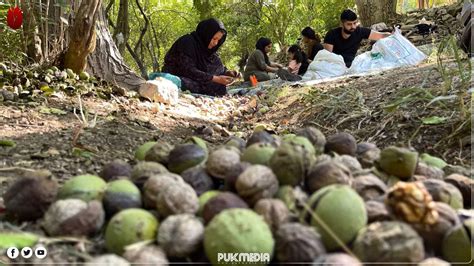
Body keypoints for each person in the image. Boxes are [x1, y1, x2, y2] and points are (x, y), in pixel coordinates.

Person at [162, 18, 239, 96]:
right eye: (214, 39)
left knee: (217, 86)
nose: (215, 43)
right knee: (187, 83)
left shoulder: (209, 52)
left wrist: (229, 74)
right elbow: (188, 70)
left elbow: (216, 68)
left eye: (218, 40)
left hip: (200, 82)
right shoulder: (187, 42)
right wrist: (215, 79)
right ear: (207, 34)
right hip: (181, 77)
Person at [323, 9, 391, 67]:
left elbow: (381, 36)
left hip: (352, 64)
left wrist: (395, 35)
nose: (353, 27)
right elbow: (327, 57)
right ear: (342, 24)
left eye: (354, 23)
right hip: (335, 65)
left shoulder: (360, 31)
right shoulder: (331, 34)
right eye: (349, 24)